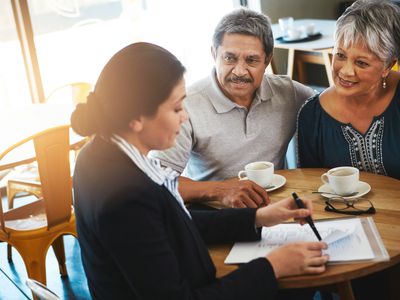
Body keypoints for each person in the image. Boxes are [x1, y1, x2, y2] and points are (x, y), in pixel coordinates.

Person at [71, 42, 328, 300]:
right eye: (176, 108)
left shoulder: (99, 154)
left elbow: (170, 224)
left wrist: (259, 217)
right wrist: (273, 267)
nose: (184, 117)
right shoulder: (125, 197)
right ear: (136, 118)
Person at [150, 8, 315, 208]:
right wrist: (220, 190)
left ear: (267, 60)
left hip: (277, 208)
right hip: (214, 216)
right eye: (229, 58)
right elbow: (155, 182)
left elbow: (328, 105)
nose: (239, 71)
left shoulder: (289, 93)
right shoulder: (186, 105)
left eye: (251, 60)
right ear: (214, 54)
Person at [297, 0, 400, 180]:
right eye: (340, 55)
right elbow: (310, 186)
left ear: (388, 66)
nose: (346, 71)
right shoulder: (311, 116)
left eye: (361, 63)